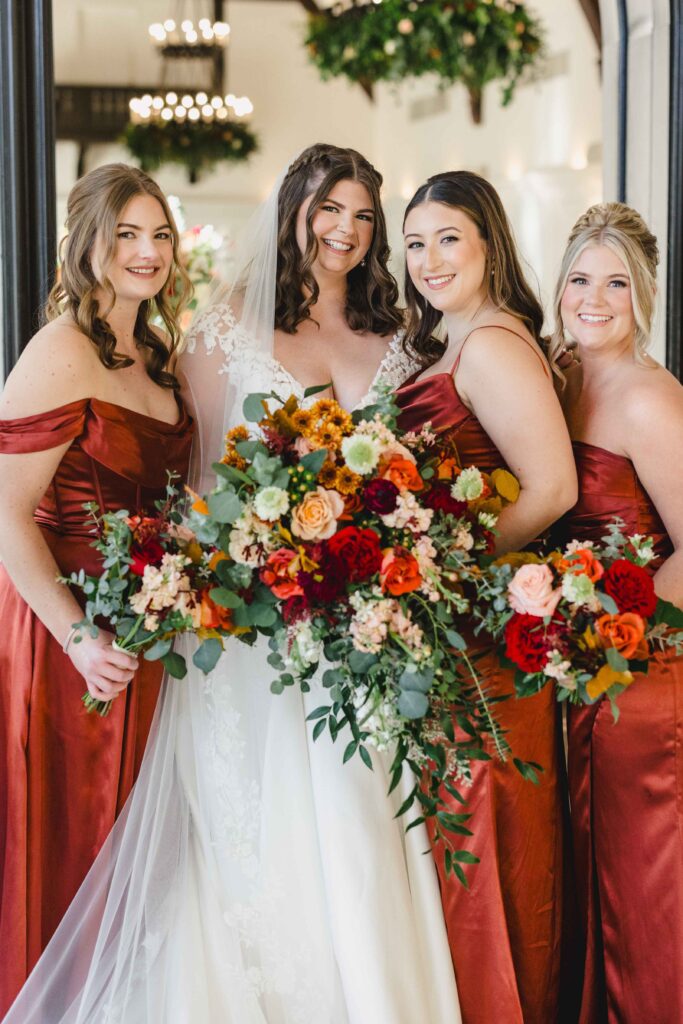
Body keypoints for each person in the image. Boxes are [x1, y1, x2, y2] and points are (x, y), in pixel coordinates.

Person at [3, 144, 461, 1023]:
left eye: (364, 215)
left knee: (357, 820)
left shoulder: (402, 336)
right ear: (292, 211)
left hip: (361, 620)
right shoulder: (213, 333)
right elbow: (203, 489)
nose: (345, 229)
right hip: (248, 629)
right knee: (251, 828)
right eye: (329, 208)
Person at [0, 163, 194, 1015]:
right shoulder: (60, 351)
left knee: (135, 843)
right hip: (63, 635)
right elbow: (6, 511)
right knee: (71, 835)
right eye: (126, 234)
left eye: (159, 235)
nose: (146, 252)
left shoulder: (158, 355)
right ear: (90, 243)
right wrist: (77, 636)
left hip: (148, 631)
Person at [395, 170, 578, 1024]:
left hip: (488, 640)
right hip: (459, 634)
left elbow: (549, 489)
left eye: (447, 239)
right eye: (415, 241)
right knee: (460, 845)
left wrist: (445, 564)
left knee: (492, 844)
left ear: (487, 245)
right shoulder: (451, 339)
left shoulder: (493, 345)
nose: (428, 259)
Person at [551, 202, 683, 1023]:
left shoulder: (648, 397)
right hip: (565, 668)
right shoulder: (553, 377)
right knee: (583, 882)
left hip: (638, 677)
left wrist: (615, 638)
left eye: (614, 285)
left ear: (642, 298)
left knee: (640, 887)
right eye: (577, 279)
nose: (592, 299)